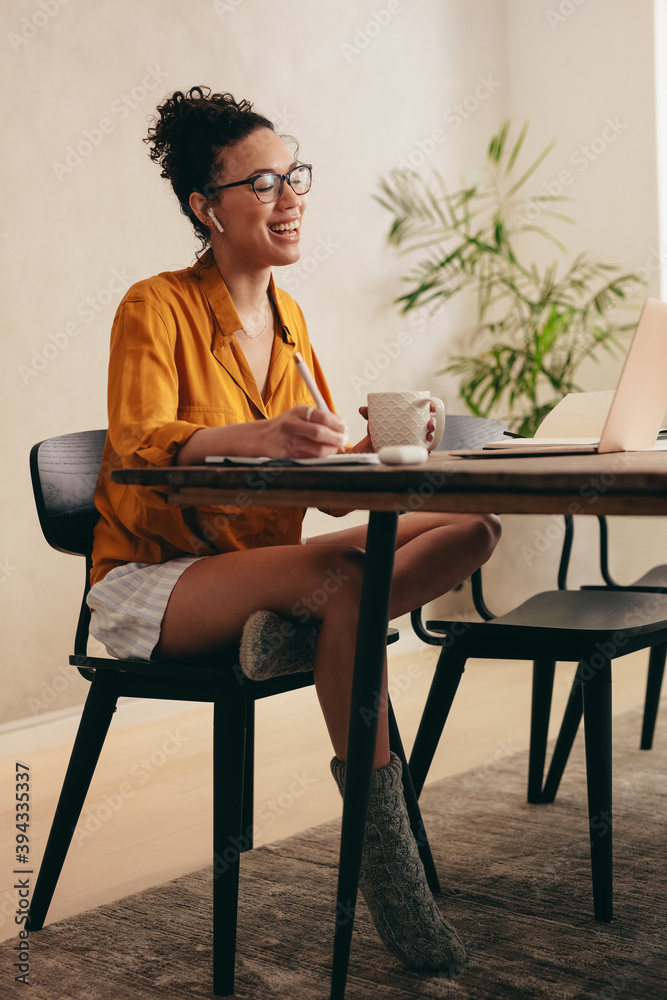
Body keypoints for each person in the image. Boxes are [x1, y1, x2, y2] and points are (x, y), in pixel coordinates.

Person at [87, 86, 501, 974]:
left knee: (471, 525)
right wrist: (255, 435)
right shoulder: (151, 307)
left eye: (295, 175)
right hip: (157, 583)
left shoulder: (290, 321)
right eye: (264, 181)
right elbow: (136, 454)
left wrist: (376, 449)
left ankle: (313, 632)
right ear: (207, 207)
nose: (291, 197)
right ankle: (391, 882)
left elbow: (330, 493)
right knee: (352, 586)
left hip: (259, 566)